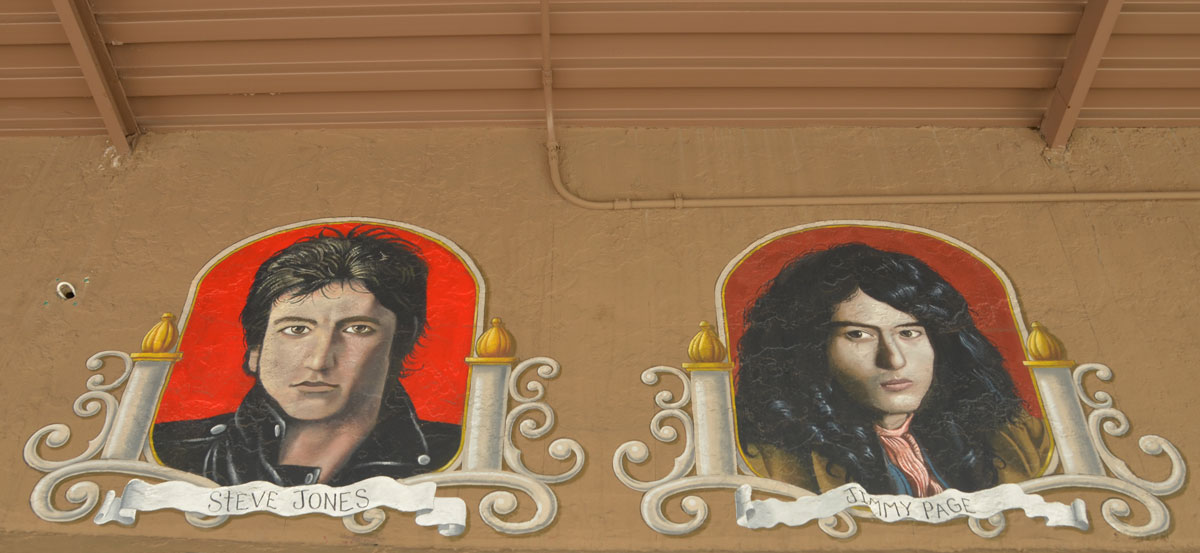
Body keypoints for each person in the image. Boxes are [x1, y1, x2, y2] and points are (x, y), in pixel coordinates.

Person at [153, 226, 461, 486]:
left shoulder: (456, 455)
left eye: (357, 329)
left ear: (397, 349)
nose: (319, 360)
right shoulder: (169, 450)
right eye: (296, 329)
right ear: (255, 352)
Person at [736, 243, 1049, 497]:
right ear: (810, 351)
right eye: (858, 334)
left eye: (909, 332)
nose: (894, 360)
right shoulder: (767, 461)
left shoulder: (1018, 439)